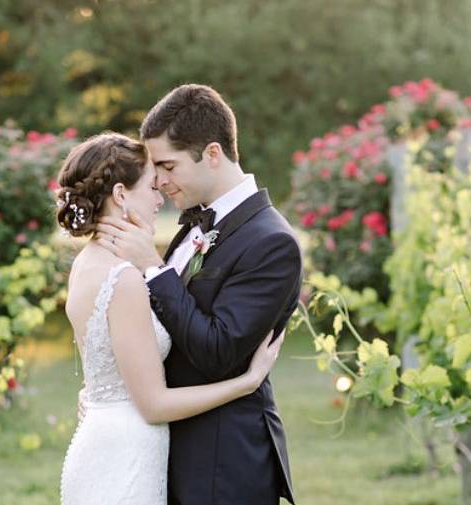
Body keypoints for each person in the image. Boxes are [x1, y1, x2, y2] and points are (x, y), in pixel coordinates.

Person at [96, 84, 303, 505]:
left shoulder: (272, 243)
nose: (157, 180)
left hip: (221, 461)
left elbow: (217, 351)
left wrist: (153, 268)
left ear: (212, 153)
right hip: (170, 443)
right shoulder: (194, 224)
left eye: (167, 166)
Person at [57, 132, 284, 505]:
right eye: (150, 185)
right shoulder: (125, 279)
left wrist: (98, 397)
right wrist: (247, 381)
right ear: (120, 196)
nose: (159, 195)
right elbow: (153, 404)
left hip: (106, 438)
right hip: (126, 457)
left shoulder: (87, 263)